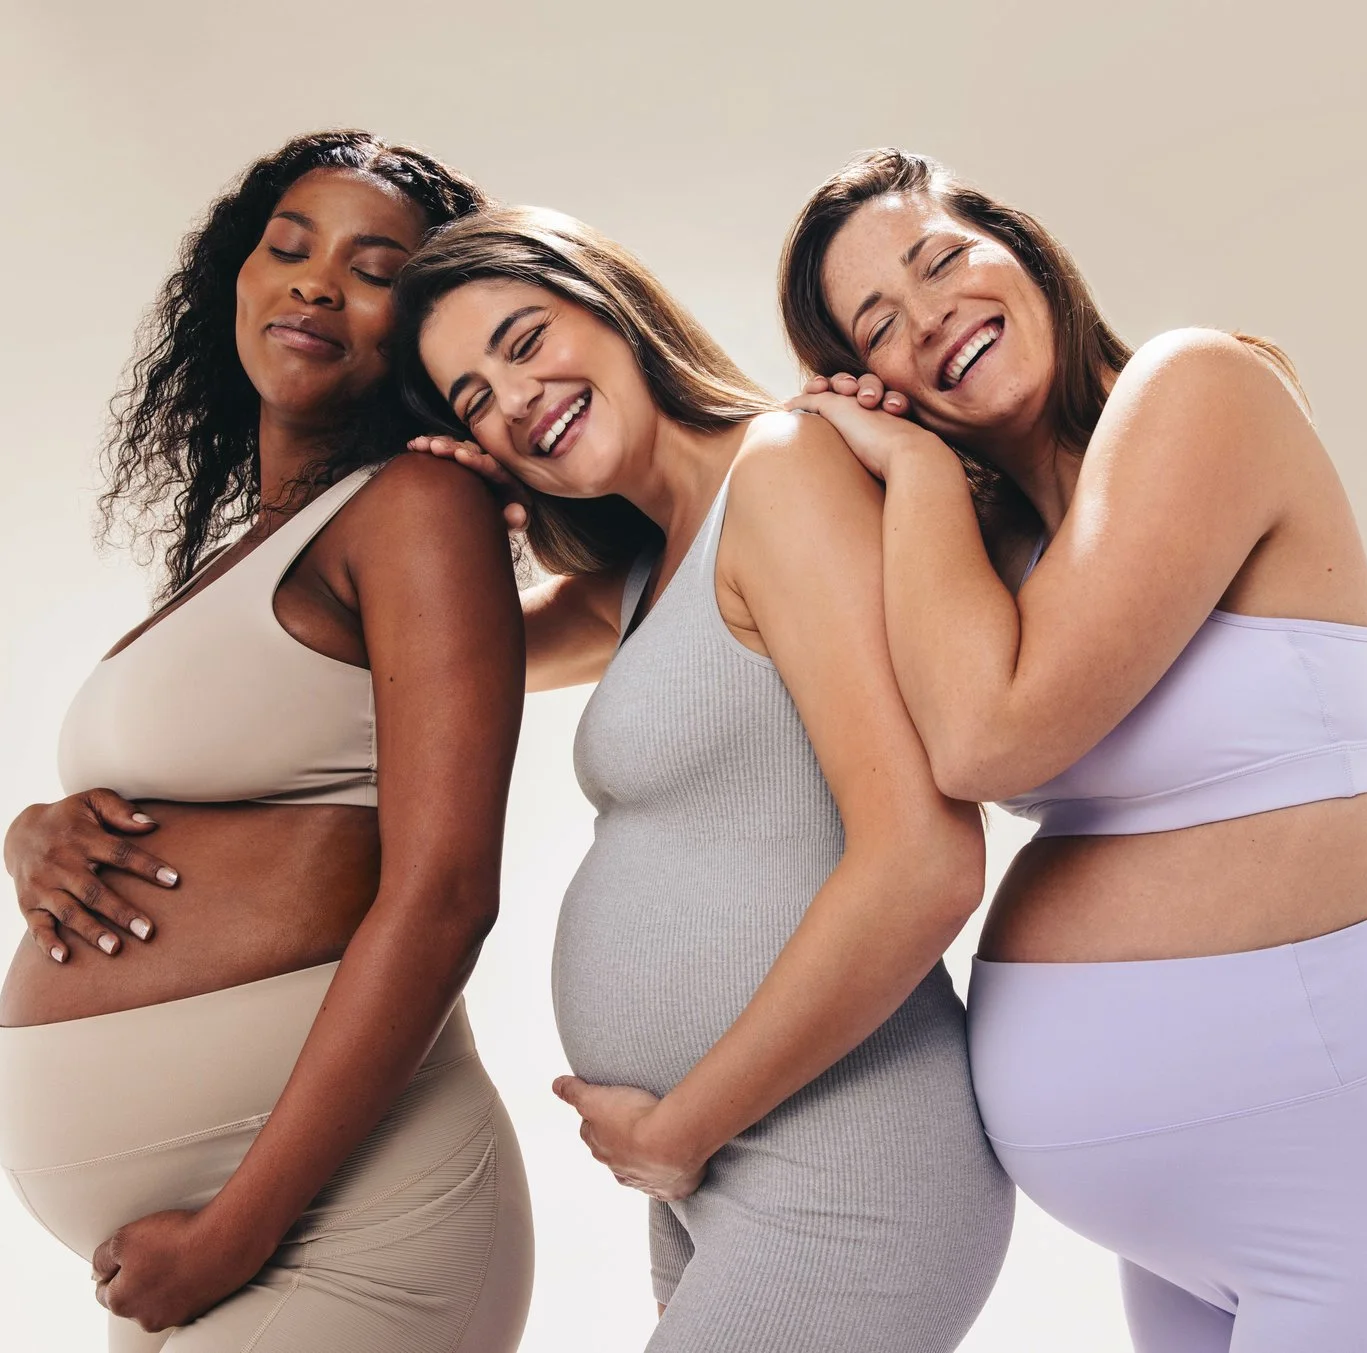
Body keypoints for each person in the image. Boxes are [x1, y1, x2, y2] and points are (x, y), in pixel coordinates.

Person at [781, 147, 1367, 1352]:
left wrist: (910, 468)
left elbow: (988, 740)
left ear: (1022, 249)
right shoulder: (988, 555)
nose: (929, 317)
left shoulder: (1198, 386)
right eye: (878, 326)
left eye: (941, 260)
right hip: (1190, 1238)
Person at [394, 204, 1011, 1352]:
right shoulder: (640, 572)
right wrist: (439, 512)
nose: (515, 398)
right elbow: (422, 660)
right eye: (474, 398)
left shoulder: (781, 473)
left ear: (614, 308)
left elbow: (925, 861)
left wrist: (683, 1128)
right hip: (714, 1166)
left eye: (525, 342)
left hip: (841, 1161)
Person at [0, 130, 534, 1352]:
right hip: (200, 1244)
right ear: (235, 278)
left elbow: (447, 896)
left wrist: (235, 1233)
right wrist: (29, 836)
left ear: (424, 324)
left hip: (335, 1223)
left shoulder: (416, 506)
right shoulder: (254, 552)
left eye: (374, 270)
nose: (316, 284)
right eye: (288, 248)